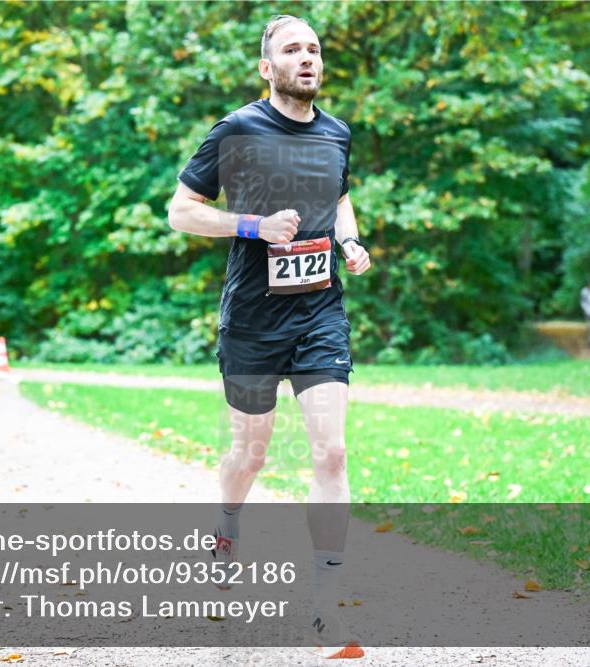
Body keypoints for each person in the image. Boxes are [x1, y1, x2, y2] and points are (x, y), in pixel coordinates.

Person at [168, 14, 370, 660]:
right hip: (253, 319)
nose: (306, 57)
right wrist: (253, 226)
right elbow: (181, 212)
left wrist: (350, 239)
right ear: (267, 67)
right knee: (249, 454)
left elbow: (340, 198)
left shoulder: (337, 133)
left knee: (332, 452)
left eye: (314, 48)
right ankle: (226, 533)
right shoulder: (237, 130)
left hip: (319, 313)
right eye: (292, 49)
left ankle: (327, 604)